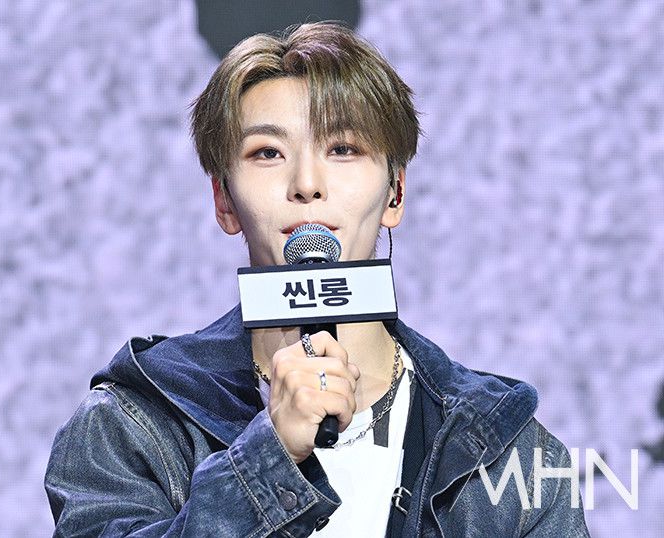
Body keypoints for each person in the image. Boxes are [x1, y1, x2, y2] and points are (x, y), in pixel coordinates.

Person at [45, 22, 590, 537]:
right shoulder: (131, 425)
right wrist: (269, 457)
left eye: (343, 149)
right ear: (224, 201)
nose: (306, 183)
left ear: (395, 193)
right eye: (268, 153)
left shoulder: (507, 452)